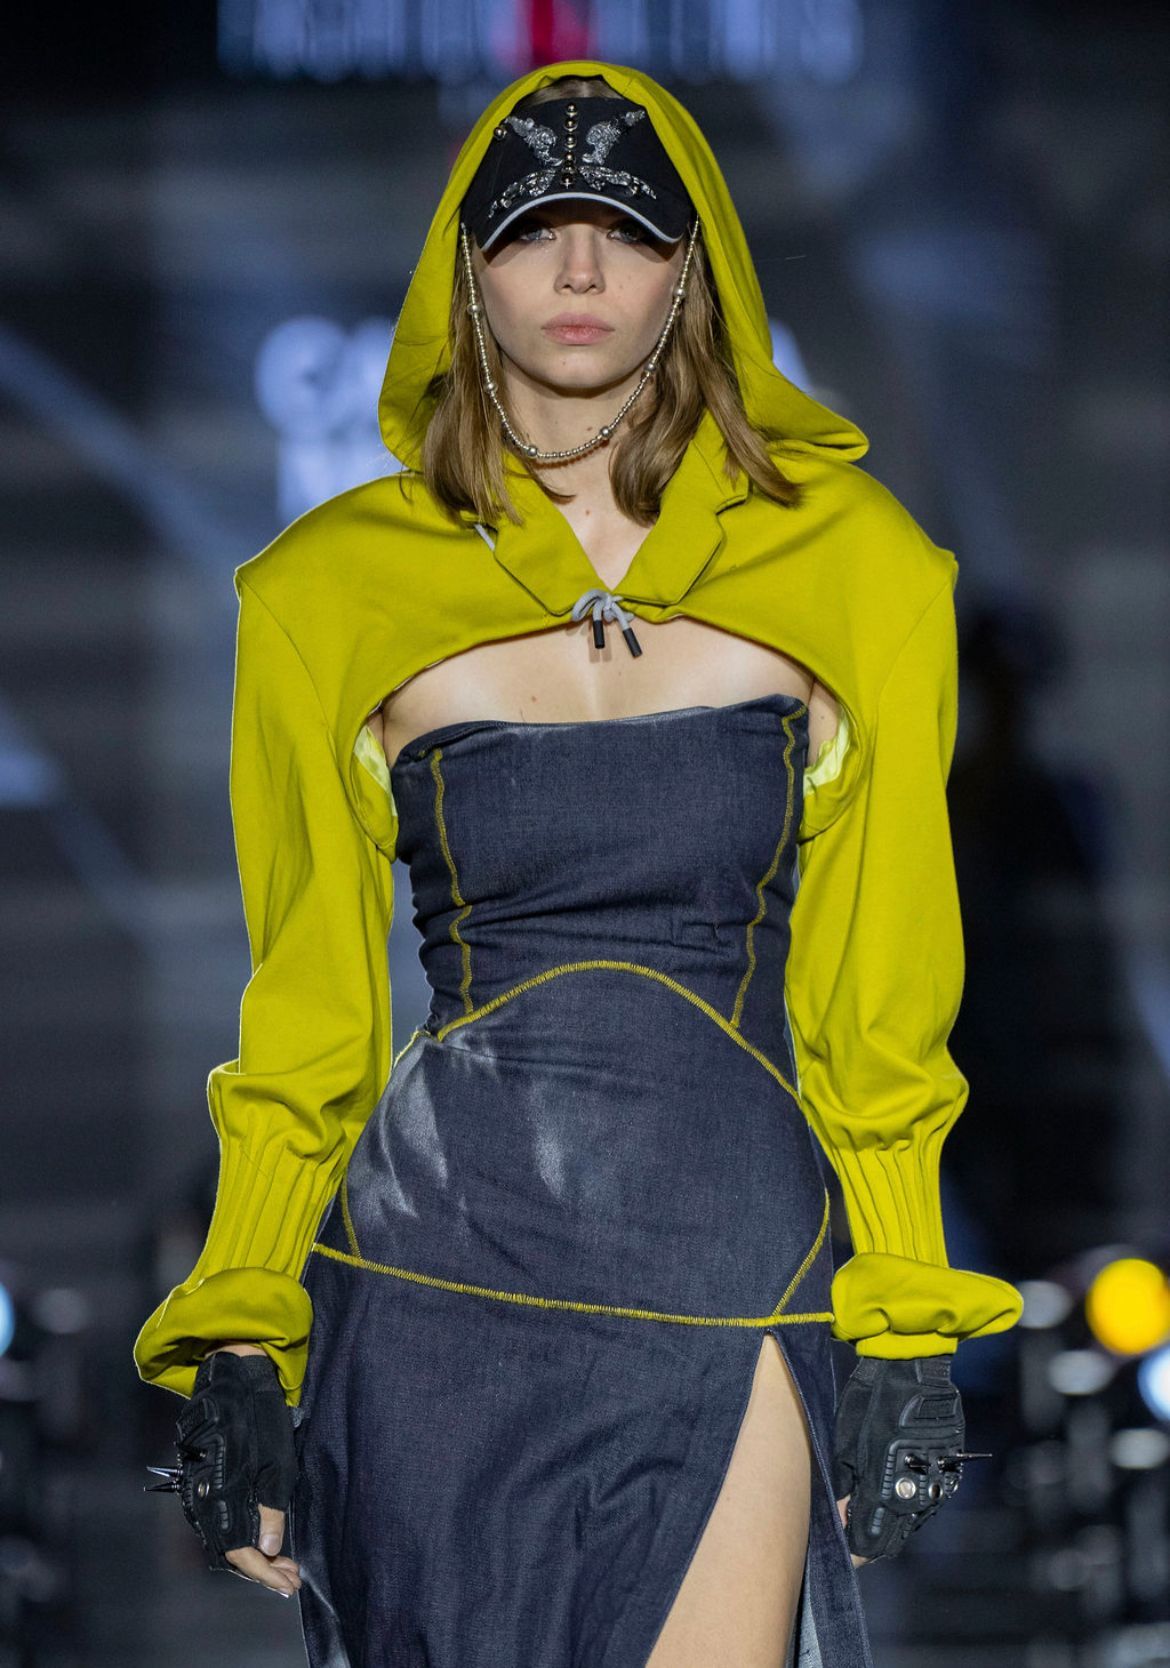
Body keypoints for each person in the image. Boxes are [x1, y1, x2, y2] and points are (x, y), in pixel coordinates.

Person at [134, 59, 1024, 1667]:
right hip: (430, 1279)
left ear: (693, 266)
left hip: (729, 1260)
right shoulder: (329, 591)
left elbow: (879, 992)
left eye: (624, 229)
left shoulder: (855, 567)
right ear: (464, 268)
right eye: (532, 228)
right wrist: (245, 1326)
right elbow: (308, 1011)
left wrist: (901, 1302)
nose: (579, 269)